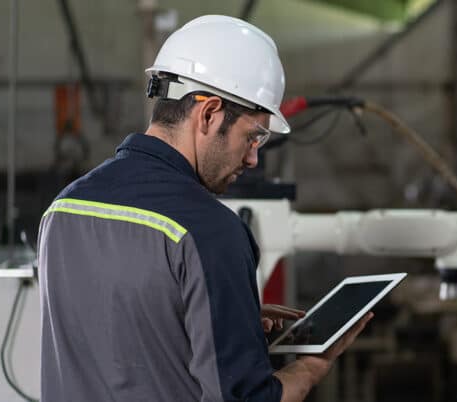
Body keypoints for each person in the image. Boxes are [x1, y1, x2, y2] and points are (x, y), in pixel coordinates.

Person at [37, 15, 371, 402]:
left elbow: (121, 336)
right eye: (253, 137)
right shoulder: (209, 231)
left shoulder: (63, 208)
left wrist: (215, 315)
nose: (252, 160)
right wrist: (311, 367)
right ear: (209, 113)